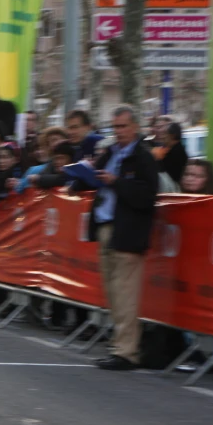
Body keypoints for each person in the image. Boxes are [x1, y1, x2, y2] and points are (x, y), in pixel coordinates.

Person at [73, 105, 159, 371]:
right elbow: (89, 182)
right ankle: (119, 345)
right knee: (113, 292)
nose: (118, 131)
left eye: (122, 126)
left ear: (135, 127)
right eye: (115, 127)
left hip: (128, 230)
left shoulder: (143, 158)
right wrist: (79, 174)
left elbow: (146, 196)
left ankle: (126, 352)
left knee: (125, 293)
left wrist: (115, 181)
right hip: (105, 226)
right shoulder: (109, 152)